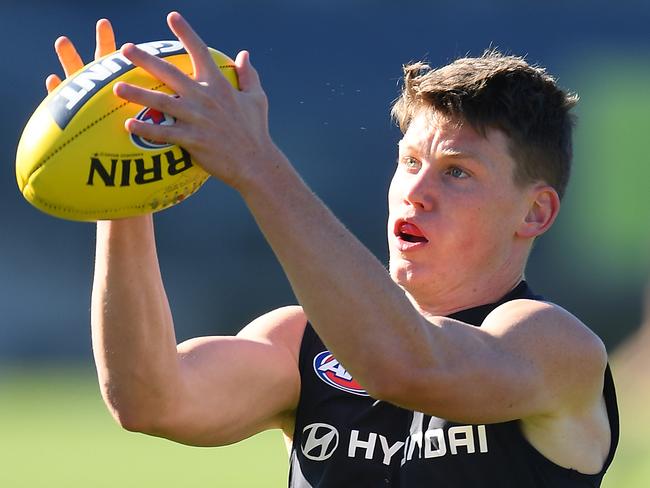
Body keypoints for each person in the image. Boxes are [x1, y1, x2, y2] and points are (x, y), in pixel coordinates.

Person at [47, 12, 618, 487]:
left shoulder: (551, 344)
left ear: (535, 212)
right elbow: (149, 400)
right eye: (410, 163)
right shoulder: (302, 341)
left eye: (458, 173)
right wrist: (121, 192)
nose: (416, 192)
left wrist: (256, 163)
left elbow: (407, 365)